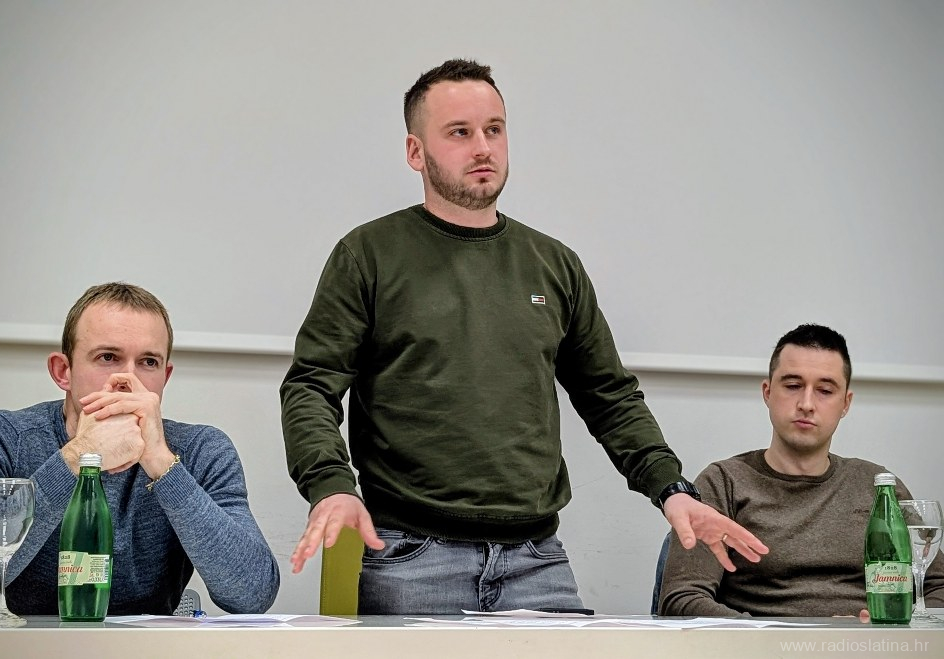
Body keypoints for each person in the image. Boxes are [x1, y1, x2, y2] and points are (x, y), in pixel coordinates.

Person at [280, 58, 767, 614]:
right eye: (459, 133)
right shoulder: (368, 255)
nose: (483, 147)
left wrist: (670, 487)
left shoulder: (553, 264)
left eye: (494, 129)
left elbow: (609, 396)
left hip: (536, 560)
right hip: (411, 557)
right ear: (416, 152)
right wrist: (331, 485)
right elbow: (311, 387)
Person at [0, 282, 279, 616]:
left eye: (149, 362)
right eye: (108, 357)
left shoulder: (202, 450)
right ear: (63, 371)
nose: (128, 380)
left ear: (165, 377)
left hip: (140, 648)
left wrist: (162, 463)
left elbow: (253, 595)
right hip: (16, 645)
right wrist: (76, 457)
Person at [659, 323, 944, 617]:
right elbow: (681, 600)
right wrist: (778, 636)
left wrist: (887, 623)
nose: (806, 404)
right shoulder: (723, 482)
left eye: (825, 390)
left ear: (845, 404)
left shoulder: (879, 488)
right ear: (768, 392)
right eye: (793, 386)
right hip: (761, 642)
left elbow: (937, 587)